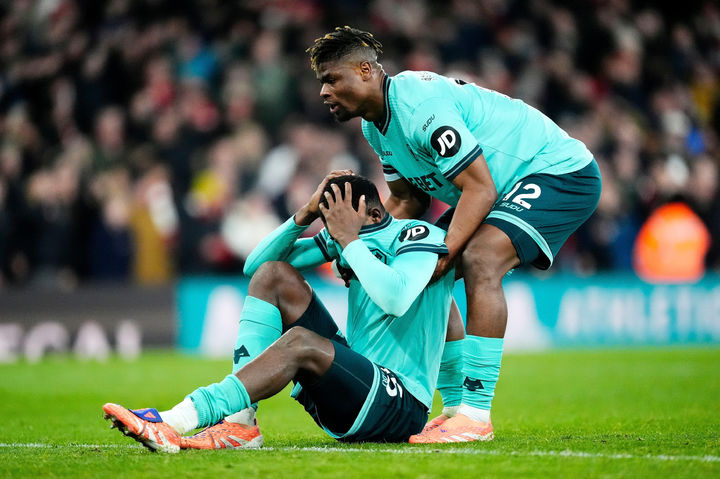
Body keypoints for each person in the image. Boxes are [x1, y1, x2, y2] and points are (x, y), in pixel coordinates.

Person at [307, 27, 603, 443]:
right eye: (322, 82)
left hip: (555, 170)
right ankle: (454, 409)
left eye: (332, 79)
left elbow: (480, 188)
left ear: (366, 70)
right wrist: (366, 246)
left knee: (479, 258)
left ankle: (476, 415)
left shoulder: (420, 108)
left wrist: (444, 251)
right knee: (419, 264)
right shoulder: (376, 128)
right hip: (497, 188)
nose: (323, 91)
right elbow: (408, 200)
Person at [103, 173, 457, 452]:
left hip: (400, 405)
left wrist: (349, 240)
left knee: (301, 341)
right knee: (273, 276)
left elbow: (396, 299)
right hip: (354, 388)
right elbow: (255, 266)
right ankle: (239, 423)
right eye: (330, 222)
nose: (334, 231)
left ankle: (177, 419)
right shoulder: (343, 239)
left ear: (375, 215)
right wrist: (304, 216)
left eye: (341, 221)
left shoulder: (418, 236)